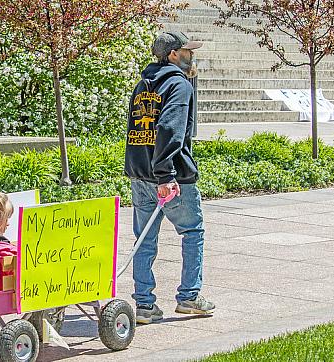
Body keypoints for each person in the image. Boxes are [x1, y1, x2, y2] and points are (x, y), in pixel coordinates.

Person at [124, 31, 215, 325]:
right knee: (192, 231)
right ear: (174, 55)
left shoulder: (142, 85)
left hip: (140, 174)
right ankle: (189, 297)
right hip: (170, 176)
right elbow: (169, 129)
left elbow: (137, 131)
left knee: (144, 239)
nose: (192, 55)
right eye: (187, 50)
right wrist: (165, 175)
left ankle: (145, 305)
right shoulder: (179, 84)